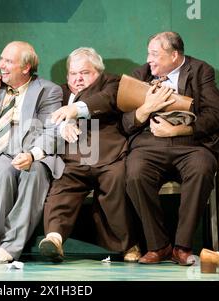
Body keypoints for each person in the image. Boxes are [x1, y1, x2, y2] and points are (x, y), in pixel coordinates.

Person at [123, 31, 219, 265]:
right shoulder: (140, 75)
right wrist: (146, 109)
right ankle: (159, 246)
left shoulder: (201, 71)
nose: (149, 59)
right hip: (149, 143)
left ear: (174, 55)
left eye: (155, 54)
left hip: (191, 144)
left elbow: (215, 116)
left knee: (202, 168)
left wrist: (178, 131)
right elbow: (125, 122)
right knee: (135, 174)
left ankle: (182, 247)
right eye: (148, 53)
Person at [38, 47, 141, 262]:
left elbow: (107, 100)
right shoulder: (59, 92)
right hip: (73, 159)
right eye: (73, 74)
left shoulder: (112, 84)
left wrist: (73, 111)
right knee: (61, 187)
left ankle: (128, 245)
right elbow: (44, 118)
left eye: (84, 73)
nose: (77, 79)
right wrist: (61, 127)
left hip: (109, 157)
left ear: (98, 72)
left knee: (116, 185)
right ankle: (54, 239)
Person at [0, 41, 64, 263]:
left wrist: (33, 154)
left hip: (32, 151)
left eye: (9, 61)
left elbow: (51, 130)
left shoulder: (48, 90)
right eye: (1, 58)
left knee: (36, 172)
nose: (1, 65)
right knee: (3, 176)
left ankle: (11, 247)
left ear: (25, 68)